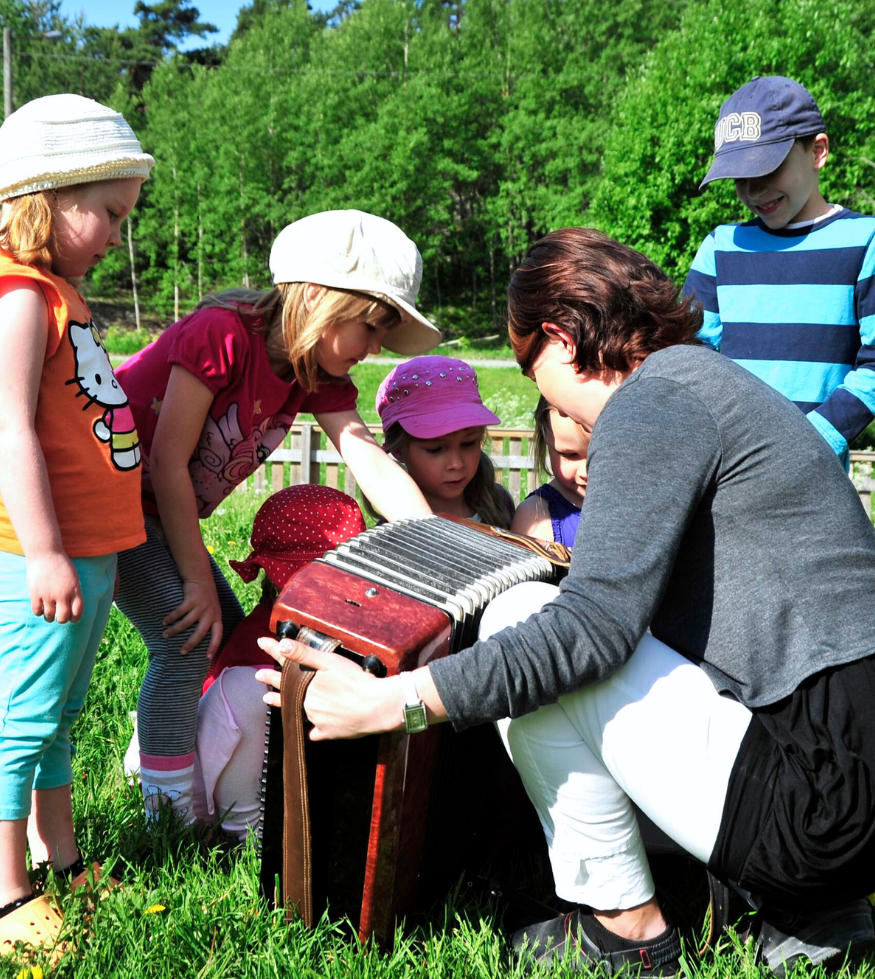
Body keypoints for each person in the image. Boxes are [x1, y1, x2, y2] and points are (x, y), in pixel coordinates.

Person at [258, 228, 875, 978]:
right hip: (871, 782)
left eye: (527, 365)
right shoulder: (715, 384)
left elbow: (592, 629)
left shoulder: (654, 403)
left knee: (524, 621)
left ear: (558, 336)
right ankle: (798, 904)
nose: (540, 395)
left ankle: (628, 931)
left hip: (823, 806)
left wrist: (396, 702)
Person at [113, 209, 439, 824]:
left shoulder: (312, 370)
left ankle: (178, 761)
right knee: (186, 641)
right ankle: (171, 815)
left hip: (157, 512)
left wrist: (434, 540)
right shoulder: (223, 334)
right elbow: (166, 462)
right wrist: (191, 580)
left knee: (228, 638)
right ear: (318, 298)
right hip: (110, 505)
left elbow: (365, 455)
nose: (374, 350)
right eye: (371, 327)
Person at [0, 94, 153, 960]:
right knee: (24, 718)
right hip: (47, 553)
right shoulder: (14, 297)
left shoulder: (55, 292)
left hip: (88, 550)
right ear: (51, 195)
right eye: (108, 213)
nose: (117, 234)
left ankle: (60, 860)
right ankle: (3, 899)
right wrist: (43, 552)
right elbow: (12, 430)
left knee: (61, 713)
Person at [682, 75, 875, 468]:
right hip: (729, 471)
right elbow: (688, 355)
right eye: (740, 177)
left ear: (817, 151)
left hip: (814, 477)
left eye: (768, 170)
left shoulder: (867, 240)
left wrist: (808, 440)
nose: (753, 191)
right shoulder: (720, 248)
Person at [192, 485, 367, 838]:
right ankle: (244, 833)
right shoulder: (262, 644)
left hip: (270, 773)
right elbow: (221, 729)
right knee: (252, 691)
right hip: (212, 781)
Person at [374, 355, 514, 527]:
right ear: (399, 450)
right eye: (435, 449)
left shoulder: (499, 505)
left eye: (468, 443)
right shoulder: (393, 528)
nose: (456, 464)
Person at [511, 396, 587, 545]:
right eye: (570, 455)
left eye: (600, 453)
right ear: (547, 441)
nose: (585, 472)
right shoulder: (536, 516)